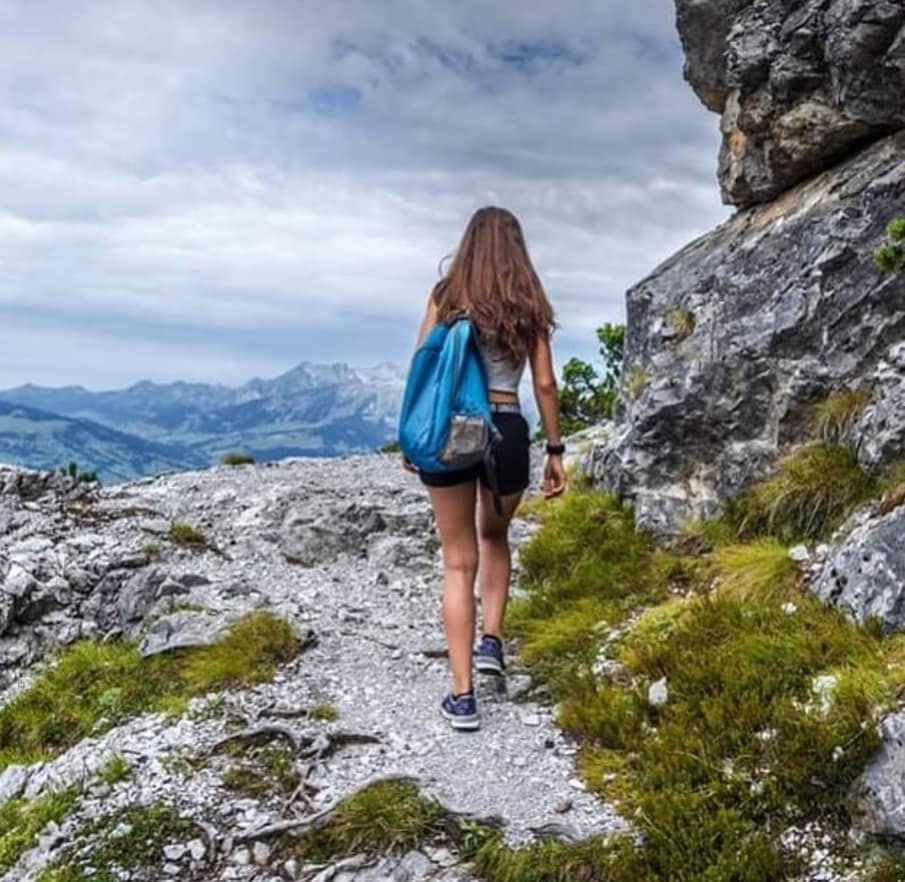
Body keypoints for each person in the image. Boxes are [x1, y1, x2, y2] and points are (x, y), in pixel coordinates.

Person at [402, 205, 567, 731]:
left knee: (458, 561)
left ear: (468, 244)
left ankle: (463, 696)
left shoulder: (445, 297)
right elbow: (545, 384)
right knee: (494, 537)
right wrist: (555, 450)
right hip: (506, 427)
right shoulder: (529, 303)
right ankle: (491, 642)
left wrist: (412, 433)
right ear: (517, 249)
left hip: (450, 429)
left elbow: (422, 366)